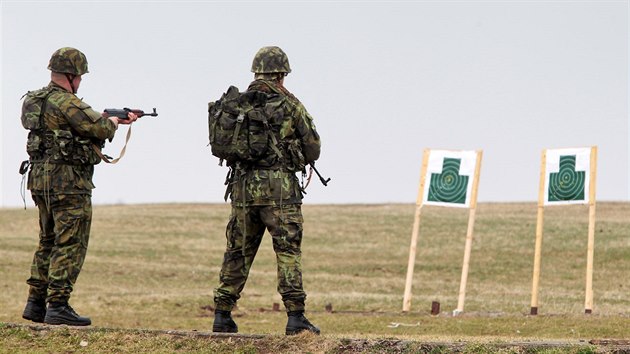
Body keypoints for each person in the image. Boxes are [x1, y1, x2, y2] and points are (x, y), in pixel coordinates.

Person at [20, 47, 137, 326]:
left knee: (47, 239)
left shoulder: (32, 100)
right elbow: (99, 129)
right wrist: (113, 121)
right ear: (71, 75)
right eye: (80, 77)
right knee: (70, 242)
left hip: (40, 180)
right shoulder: (67, 102)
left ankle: (36, 302)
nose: (81, 82)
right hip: (68, 183)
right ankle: (58, 304)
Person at [212, 46, 321, 335]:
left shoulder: (237, 104)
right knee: (287, 251)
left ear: (256, 72)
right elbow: (313, 147)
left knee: (238, 250)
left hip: (243, 187)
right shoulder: (289, 104)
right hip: (279, 189)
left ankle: (222, 314)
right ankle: (296, 317)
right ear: (281, 74)